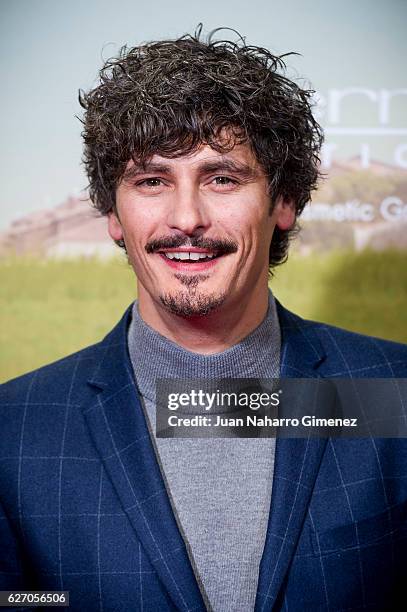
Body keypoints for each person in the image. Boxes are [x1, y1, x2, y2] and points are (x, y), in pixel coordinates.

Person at [1, 28, 406, 612]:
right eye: (151, 181)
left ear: (284, 201)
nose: (186, 217)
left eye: (222, 178)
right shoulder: (13, 431)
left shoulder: (391, 392)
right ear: (114, 214)